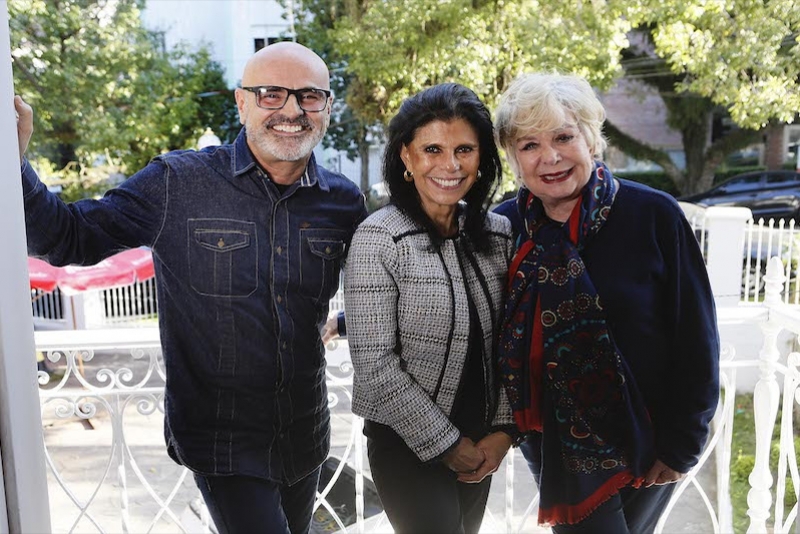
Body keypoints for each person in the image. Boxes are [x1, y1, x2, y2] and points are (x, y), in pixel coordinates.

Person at [15, 42, 367, 534]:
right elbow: (67, 237)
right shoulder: (178, 182)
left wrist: (345, 322)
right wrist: (16, 161)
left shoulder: (343, 201)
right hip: (222, 443)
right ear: (242, 103)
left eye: (309, 96)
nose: (291, 110)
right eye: (271, 94)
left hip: (304, 435)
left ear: (328, 107)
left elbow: (383, 287)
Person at [491, 72, 720, 533]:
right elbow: (462, 306)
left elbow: (696, 334)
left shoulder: (653, 214)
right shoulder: (503, 226)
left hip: (651, 437)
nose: (550, 157)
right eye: (529, 145)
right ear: (514, 158)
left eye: (563, 136)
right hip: (553, 442)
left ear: (591, 139)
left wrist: (684, 442)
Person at [344, 83, 518, 534]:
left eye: (464, 149)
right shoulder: (378, 238)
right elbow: (374, 364)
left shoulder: (500, 234)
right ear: (406, 156)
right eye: (432, 149)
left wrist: (503, 432)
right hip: (406, 441)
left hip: (482, 441)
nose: (450, 165)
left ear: (482, 158)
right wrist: (445, 444)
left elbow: (512, 344)